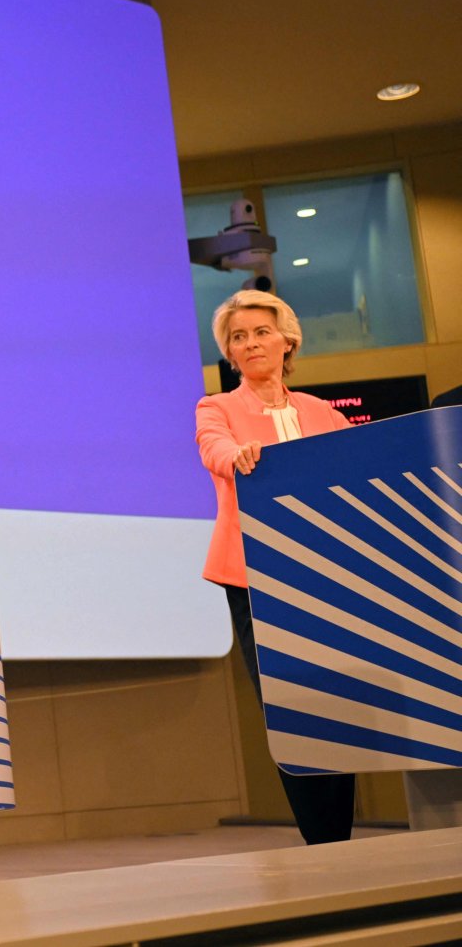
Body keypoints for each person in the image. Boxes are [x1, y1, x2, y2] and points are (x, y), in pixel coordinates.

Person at [195, 289, 354, 844]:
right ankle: (322, 841)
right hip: (257, 580)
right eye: (238, 337)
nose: (249, 343)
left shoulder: (325, 414)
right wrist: (235, 456)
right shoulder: (218, 409)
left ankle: (341, 839)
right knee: (288, 710)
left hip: (326, 581)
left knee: (335, 702)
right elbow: (213, 448)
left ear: (287, 341)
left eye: (260, 332)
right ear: (230, 354)